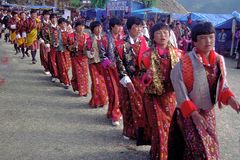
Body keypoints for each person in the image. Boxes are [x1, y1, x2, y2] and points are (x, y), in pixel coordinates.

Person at [168, 21, 240, 160]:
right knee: (197, 149)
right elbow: (181, 94)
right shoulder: (184, 63)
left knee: (210, 146)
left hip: (208, 113)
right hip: (188, 115)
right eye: (203, 38)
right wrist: (194, 114)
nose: (208, 41)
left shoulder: (219, 60)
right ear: (194, 41)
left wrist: (232, 101)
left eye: (211, 37)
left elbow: (222, 85)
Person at [140, 23, 182, 160]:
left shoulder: (178, 54)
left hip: (170, 96)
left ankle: (159, 152)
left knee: (168, 127)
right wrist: (147, 75)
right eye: (159, 33)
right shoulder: (146, 55)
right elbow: (141, 78)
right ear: (153, 36)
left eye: (165, 32)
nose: (163, 35)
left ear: (169, 35)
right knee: (157, 127)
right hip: (153, 96)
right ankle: (159, 155)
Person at [115, 16, 150, 144]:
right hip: (128, 79)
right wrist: (126, 79)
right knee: (127, 105)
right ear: (129, 28)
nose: (139, 29)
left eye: (141, 26)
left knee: (141, 106)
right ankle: (128, 130)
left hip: (142, 80)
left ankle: (140, 132)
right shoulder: (121, 44)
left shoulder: (146, 41)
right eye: (136, 26)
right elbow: (119, 63)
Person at [99, 17, 123, 126]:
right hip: (109, 70)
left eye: (121, 26)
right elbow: (101, 55)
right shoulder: (105, 38)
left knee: (120, 92)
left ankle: (113, 111)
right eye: (117, 26)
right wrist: (109, 64)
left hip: (121, 69)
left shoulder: (123, 38)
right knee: (113, 92)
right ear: (112, 27)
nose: (120, 28)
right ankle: (115, 115)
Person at [86, 21, 108, 108]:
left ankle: (102, 100)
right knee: (96, 82)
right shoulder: (89, 39)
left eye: (100, 27)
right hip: (93, 63)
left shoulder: (104, 38)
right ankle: (96, 101)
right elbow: (87, 51)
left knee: (103, 82)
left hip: (103, 63)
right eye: (96, 27)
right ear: (92, 29)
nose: (99, 29)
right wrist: (90, 51)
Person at [67, 21, 89, 96]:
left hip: (84, 57)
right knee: (78, 73)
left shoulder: (86, 36)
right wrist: (73, 45)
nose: (81, 28)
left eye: (82, 26)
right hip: (75, 57)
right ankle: (80, 89)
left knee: (85, 74)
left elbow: (90, 47)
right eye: (79, 26)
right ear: (75, 27)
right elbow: (68, 48)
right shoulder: (71, 36)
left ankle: (84, 90)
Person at [56, 17, 71, 89]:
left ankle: (62, 78)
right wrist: (56, 43)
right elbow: (54, 41)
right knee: (63, 66)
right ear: (59, 24)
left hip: (68, 52)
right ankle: (66, 82)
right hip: (60, 51)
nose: (63, 24)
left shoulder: (69, 31)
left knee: (67, 67)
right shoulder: (56, 32)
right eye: (62, 23)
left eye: (64, 23)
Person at [39, 10, 51, 74]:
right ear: (43, 15)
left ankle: (50, 68)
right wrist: (42, 41)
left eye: (48, 15)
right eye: (46, 15)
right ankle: (46, 68)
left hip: (50, 41)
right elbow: (38, 33)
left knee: (50, 55)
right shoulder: (40, 23)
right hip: (43, 41)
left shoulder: (50, 22)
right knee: (44, 55)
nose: (47, 16)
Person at [48, 13, 59, 82]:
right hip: (51, 46)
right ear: (50, 19)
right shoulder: (48, 27)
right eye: (52, 18)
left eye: (55, 18)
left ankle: (59, 74)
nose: (54, 19)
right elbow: (45, 36)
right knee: (52, 60)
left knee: (59, 61)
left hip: (60, 47)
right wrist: (47, 44)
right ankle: (54, 75)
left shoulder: (59, 26)